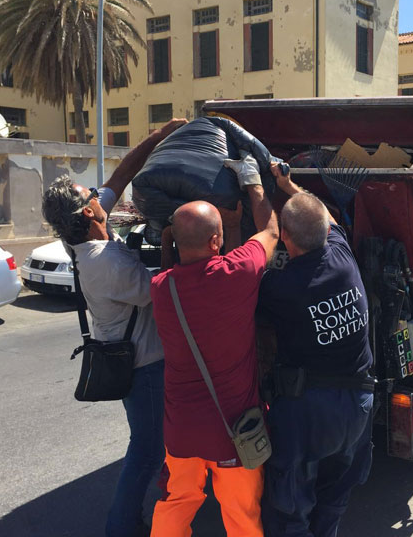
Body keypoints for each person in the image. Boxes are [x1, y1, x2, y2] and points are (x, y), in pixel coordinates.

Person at [41, 119, 186, 537]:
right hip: (145, 368)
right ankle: (121, 527)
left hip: (132, 359)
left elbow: (119, 179)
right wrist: (170, 241)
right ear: (88, 211)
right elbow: (163, 290)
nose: (98, 193)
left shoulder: (79, 236)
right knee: (146, 451)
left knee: (150, 446)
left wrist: (158, 136)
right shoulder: (105, 262)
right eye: (91, 194)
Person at [149, 153, 280, 537]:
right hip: (233, 432)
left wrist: (172, 237)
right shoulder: (237, 272)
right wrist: (253, 182)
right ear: (216, 241)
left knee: (175, 505)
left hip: (181, 433)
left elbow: (173, 268)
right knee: (241, 516)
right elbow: (272, 232)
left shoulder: (161, 289)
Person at [257, 168, 375, 537]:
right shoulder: (343, 256)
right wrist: (287, 184)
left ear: (285, 237)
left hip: (309, 412)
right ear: (325, 231)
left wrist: (258, 193)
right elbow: (326, 215)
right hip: (358, 406)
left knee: (290, 510)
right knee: (333, 500)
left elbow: (249, 265)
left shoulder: (280, 288)